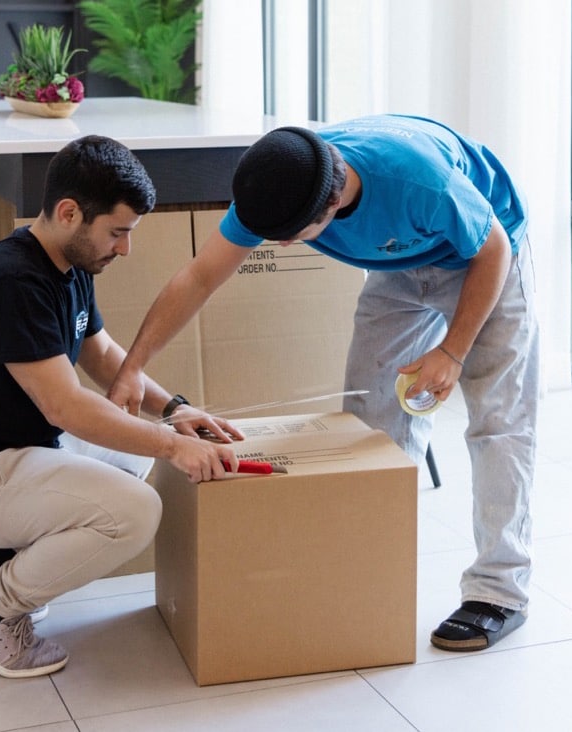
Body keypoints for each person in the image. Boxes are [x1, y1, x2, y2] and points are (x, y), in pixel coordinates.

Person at [109, 115, 539, 653]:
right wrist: (131, 367)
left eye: (290, 237)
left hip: (485, 256)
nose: (281, 244)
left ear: (331, 209)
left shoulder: (419, 181)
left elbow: (492, 247)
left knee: (499, 423)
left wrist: (452, 351)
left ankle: (499, 592)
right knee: (371, 424)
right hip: (400, 267)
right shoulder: (283, 177)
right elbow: (198, 277)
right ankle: (373, 574)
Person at [0, 134, 243, 679]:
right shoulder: (16, 281)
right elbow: (65, 406)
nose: (126, 248)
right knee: (135, 513)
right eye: (118, 232)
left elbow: (103, 354)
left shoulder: (66, 263)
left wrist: (174, 411)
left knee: (134, 457)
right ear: (69, 213)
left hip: (9, 449)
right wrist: (176, 446)